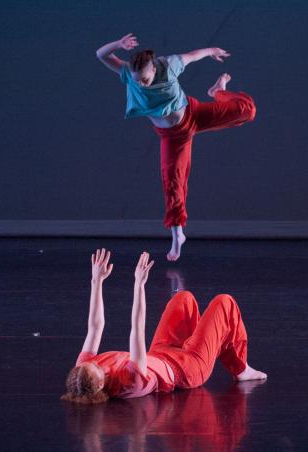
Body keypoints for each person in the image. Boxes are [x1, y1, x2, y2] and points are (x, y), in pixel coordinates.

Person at [96, 34, 257, 261]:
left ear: (153, 69)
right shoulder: (128, 74)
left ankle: (217, 92)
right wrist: (118, 45)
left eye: (144, 79)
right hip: (172, 137)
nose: (140, 84)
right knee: (172, 183)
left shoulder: (169, 64)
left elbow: (192, 56)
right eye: (136, 81)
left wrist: (211, 50)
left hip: (193, 115)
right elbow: (101, 54)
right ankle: (177, 234)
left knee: (246, 110)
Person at [61, 249, 266, 404]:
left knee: (183, 298)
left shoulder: (85, 368)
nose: (99, 363)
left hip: (161, 352)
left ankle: (202, 343)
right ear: (99, 385)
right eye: (99, 370)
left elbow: (95, 327)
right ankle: (241, 370)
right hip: (188, 369)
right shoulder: (130, 382)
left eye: (93, 363)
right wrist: (139, 285)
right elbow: (137, 330)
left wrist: (96, 281)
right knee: (224, 303)